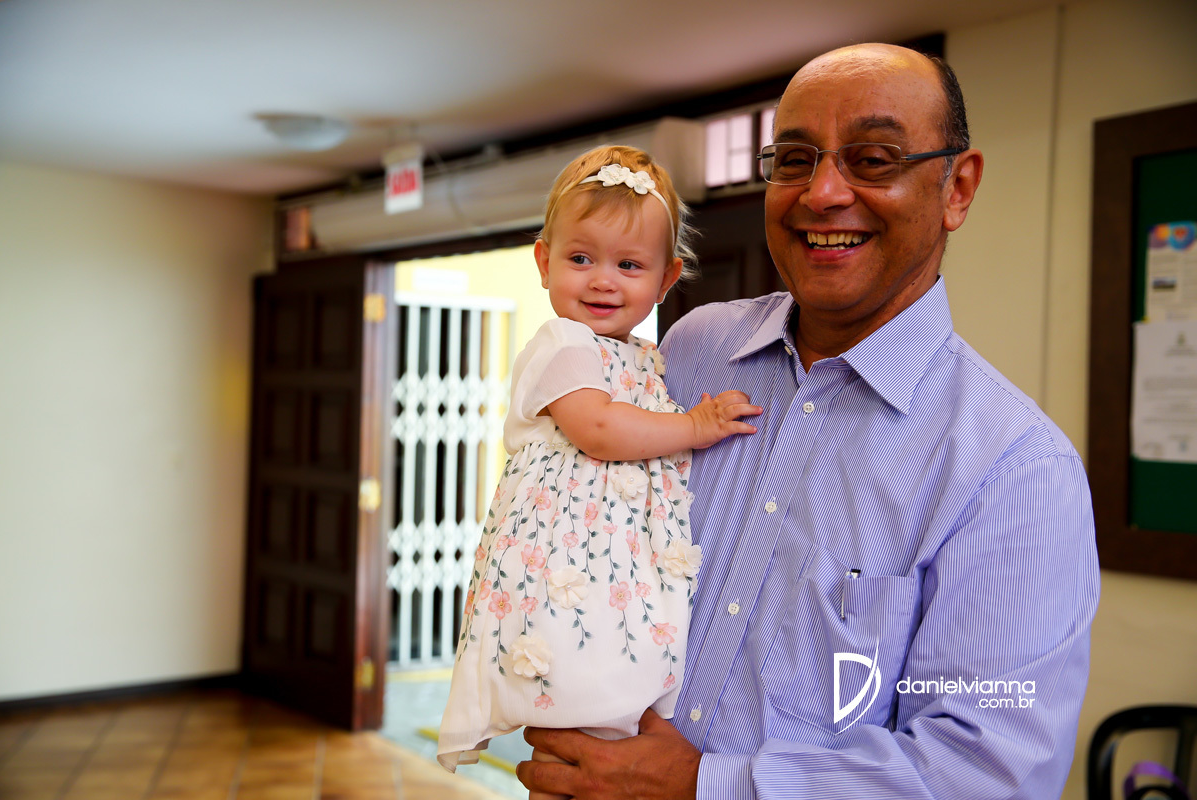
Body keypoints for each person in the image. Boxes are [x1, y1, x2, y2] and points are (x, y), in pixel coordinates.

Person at [516, 43, 1100, 800]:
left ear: (957, 188)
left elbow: (987, 774)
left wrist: (707, 786)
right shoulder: (692, 352)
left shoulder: (1014, 469)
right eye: (794, 160)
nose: (822, 193)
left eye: (873, 159)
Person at [436, 145, 761, 788]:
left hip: (616, 563)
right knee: (570, 716)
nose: (602, 280)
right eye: (580, 258)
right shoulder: (562, 343)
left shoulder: (645, 355)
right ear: (543, 262)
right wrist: (696, 426)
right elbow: (601, 429)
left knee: (609, 724)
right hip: (565, 562)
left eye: (629, 264)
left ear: (666, 280)